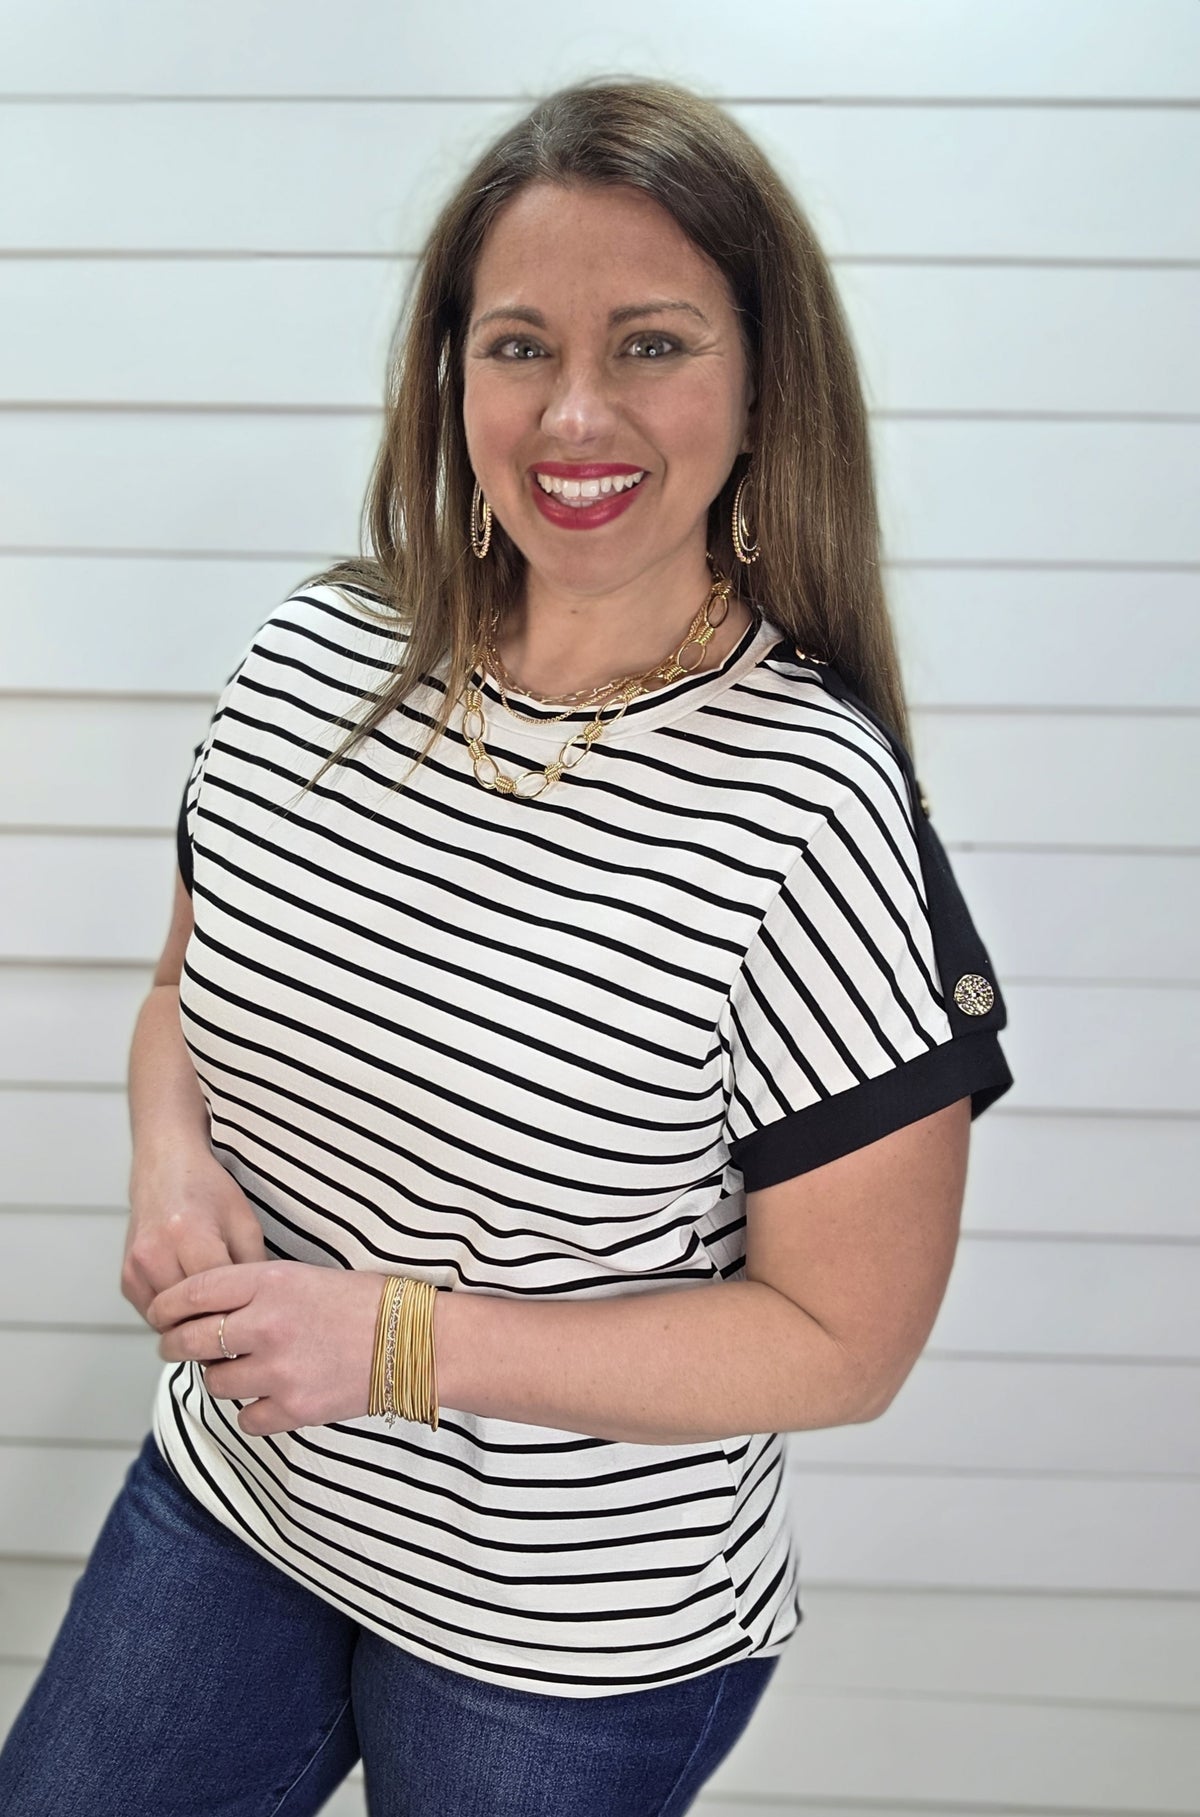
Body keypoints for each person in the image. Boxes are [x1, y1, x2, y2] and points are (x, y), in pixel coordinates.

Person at [0, 74, 1013, 1817]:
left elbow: (846, 1340)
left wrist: (401, 1342)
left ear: (764, 382)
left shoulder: (813, 802)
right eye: (521, 345)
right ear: (450, 370)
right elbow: (185, 997)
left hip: (568, 1639)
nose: (576, 411)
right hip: (242, 1498)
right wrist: (171, 1163)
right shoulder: (315, 654)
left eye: (654, 343)